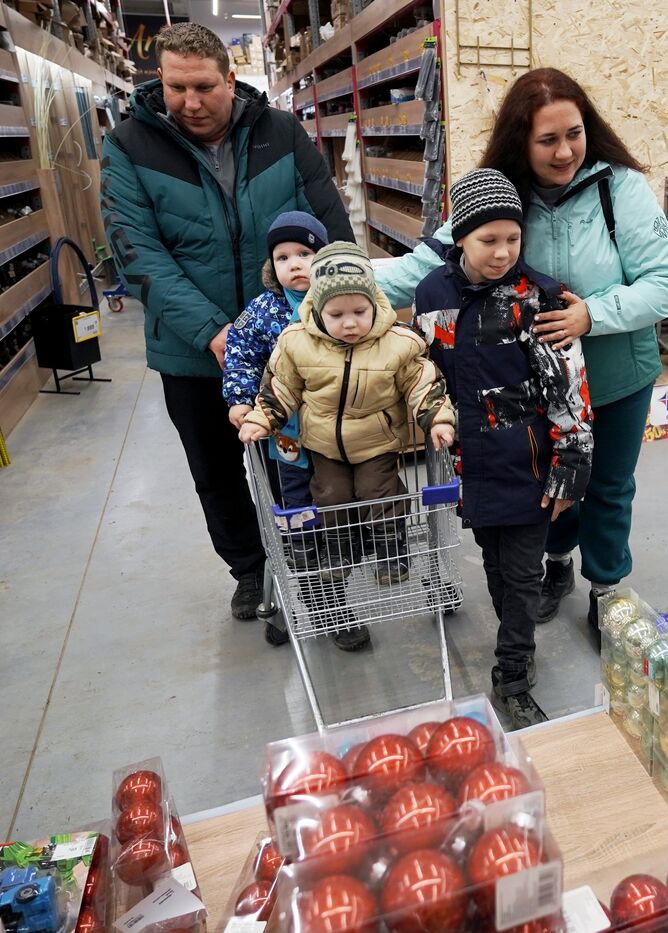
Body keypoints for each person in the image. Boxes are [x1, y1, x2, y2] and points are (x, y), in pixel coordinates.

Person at [377, 68, 668, 636]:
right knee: (552, 479)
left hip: (617, 375)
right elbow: (427, 264)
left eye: (574, 133)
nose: (565, 150)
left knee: (609, 486)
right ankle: (557, 565)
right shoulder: (498, 195)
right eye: (547, 139)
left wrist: (591, 314)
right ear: (521, 139)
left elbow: (666, 281)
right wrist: (334, 280)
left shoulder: (621, 188)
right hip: (532, 385)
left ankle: (608, 589)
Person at [101, 23, 353, 625]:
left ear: (230, 78)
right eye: (176, 87)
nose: (190, 102)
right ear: (160, 79)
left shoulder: (282, 133)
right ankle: (251, 570)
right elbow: (136, 250)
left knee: (308, 462)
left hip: (295, 344)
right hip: (193, 352)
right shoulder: (131, 145)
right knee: (217, 468)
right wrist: (217, 333)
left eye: (204, 87)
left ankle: (321, 576)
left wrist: (339, 309)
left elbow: (332, 227)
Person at [413, 168, 593, 727]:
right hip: (471, 466)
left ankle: (512, 673)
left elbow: (570, 393)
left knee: (521, 575)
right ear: (460, 237)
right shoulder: (432, 295)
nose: (502, 252)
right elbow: (425, 375)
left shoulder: (540, 299)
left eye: (512, 239)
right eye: (488, 240)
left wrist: (569, 473)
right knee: (494, 566)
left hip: (531, 465)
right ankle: (514, 644)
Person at [239, 243, 456, 651]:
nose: (350, 324)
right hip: (323, 446)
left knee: (381, 493)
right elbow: (279, 390)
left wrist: (439, 419)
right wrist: (259, 419)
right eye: (336, 315)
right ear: (318, 310)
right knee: (332, 497)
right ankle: (341, 553)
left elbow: (422, 383)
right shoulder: (296, 343)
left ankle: (392, 552)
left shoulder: (397, 343)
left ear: (376, 302)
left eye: (359, 312)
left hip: (377, 443)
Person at [223, 211, 328, 647]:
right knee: (295, 511)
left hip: (341, 433)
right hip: (288, 435)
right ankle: (301, 596)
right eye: (283, 257)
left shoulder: (341, 300)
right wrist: (241, 400)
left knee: (337, 510)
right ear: (272, 266)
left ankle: (337, 599)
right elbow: (240, 352)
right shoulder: (263, 311)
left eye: (305, 253)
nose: (295, 264)